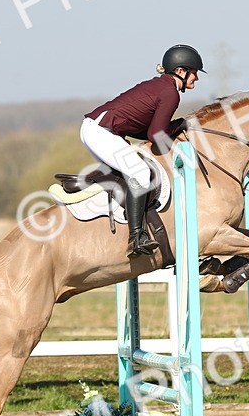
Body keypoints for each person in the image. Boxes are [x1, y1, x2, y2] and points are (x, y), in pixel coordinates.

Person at [80, 44, 204, 258]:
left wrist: (174, 127)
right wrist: (180, 125)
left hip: (97, 130)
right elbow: (156, 135)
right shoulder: (170, 92)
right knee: (140, 172)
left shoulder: (162, 87)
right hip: (100, 131)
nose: (196, 78)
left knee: (130, 173)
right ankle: (136, 238)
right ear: (181, 71)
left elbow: (149, 133)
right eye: (194, 73)